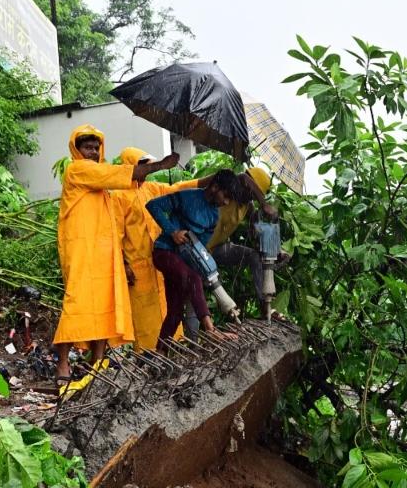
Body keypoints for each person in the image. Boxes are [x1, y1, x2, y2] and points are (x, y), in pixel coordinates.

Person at [53, 125, 178, 385]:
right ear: (77, 150)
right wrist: (159, 166)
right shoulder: (77, 170)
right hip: (80, 251)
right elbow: (117, 174)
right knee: (75, 303)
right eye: (87, 147)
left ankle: (97, 364)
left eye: (96, 147)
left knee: (104, 305)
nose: (93, 152)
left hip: (102, 254)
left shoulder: (100, 180)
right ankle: (63, 363)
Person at [111, 147, 201, 352]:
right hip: (137, 267)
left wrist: (207, 182)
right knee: (144, 319)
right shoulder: (118, 196)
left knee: (168, 308)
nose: (148, 170)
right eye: (144, 165)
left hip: (160, 263)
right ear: (131, 167)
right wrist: (124, 264)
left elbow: (179, 188)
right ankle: (148, 358)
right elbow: (115, 234)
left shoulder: (152, 189)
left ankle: (172, 351)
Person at [145, 171, 240, 348]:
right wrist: (172, 231)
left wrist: (203, 269)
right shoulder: (187, 196)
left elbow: (199, 249)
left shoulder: (214, 216)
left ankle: (160, 352)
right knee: (192, 278)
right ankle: (210, 330)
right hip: (164, 253)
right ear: (215, 187)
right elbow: (153, 205)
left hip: (182, 263)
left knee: (175, 312)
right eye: (225, 196)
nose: (225, 202)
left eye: (229, 200)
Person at [184, 167, 283, 333]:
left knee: (253, 256)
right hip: (194, 248)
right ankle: (192, 340)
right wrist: (264, 203)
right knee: (194, 293)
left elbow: (256, 237)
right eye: (250, 190)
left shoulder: (248, 207)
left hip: (217, 249)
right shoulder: (227, 190)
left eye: (251, 194)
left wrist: (276, 251)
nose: (247, 194)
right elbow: (243, 176)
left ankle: (265, 307)